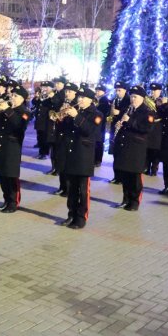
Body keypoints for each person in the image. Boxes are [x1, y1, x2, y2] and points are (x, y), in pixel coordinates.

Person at [57, 86, 103, 229]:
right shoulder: (74, 111)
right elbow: (65, 131)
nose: (80, 100)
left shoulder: (96, 114)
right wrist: (61, 118)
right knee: (71, 189)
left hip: (83, 156)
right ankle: (71, 214)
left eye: (83, 98)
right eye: (79, 97)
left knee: (83, 190)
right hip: (71, 154)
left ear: (90, 99)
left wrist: (76, 116)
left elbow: (89, 131)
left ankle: (81, 217)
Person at [0, 84, 32, 213]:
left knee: (11, 176)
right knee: (2, 175)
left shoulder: (24, 112)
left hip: (12, 147)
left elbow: (18, 125)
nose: (12, 97)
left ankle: (13, 202)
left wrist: (7, 110)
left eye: (15, 96)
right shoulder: (8, 108)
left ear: (23, 99)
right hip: (1, 144)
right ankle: (6, 200)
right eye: (12, 95)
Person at [112, 85, 154, 211]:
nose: (133, 99)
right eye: (131, 96)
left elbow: (145, 128)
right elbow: (124, 124)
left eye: (135, 97)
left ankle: (134, 201)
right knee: (125, 175)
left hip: (137, 148)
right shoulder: (128, 109)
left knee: (134, 177)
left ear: (142, 98)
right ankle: (125, 199)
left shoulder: (147, 112)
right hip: (125, 146)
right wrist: (120, 124)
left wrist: (129, 121)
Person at [52, 82, 79, 196]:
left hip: (70, 138)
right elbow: (58, 118)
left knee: (68, 164)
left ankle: (68, 188)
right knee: (61, 162)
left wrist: (69, 114)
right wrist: (58, 116)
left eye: (69, 91)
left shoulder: (76, 105)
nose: (67, 94)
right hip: (61, 136)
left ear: (75, 93)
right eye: (66, 91)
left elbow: (76, 123)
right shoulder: (63, 103)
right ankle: (62, 186)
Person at [107, 81, 130, 184]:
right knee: (115, 154)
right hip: (115, 128)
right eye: (116, 90)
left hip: (124, 129)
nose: (117, 92)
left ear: (125, 90)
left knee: (122, 155)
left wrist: (119, 113)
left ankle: (122, 177)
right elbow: (111, 112)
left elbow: (129, 112)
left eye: (119, 90)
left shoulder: (129, 100)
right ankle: (116, 176)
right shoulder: (115, 100)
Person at [144, 82, 163, 176]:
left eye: (155, 90)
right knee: (147, 148)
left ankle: (154, 168)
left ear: (160, 91)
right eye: (152, 90)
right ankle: (146, 167)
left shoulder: (162, 101)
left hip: (158, 127)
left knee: (156, 149)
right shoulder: (147, 100)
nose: (153, 92)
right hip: (149, 126)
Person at [34, 81, 54, 159]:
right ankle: (40, 151)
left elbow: (54, 104)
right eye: (43, 87)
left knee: (45, 137)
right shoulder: (41, 95)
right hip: (40, 119)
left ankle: (44, 153)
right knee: (40, 136)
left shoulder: (52, 96)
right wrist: (36, 97)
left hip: (47, 120)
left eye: (46, 87)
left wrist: (51, 97)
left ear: (51, 88)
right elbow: (34, 103)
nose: (44, 88)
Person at [94, 85, 111, 167]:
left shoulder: (105, 101)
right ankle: (94, 158)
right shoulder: (95, 99)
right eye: (96, 90)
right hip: (94, 124)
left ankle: (98, 160)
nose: (97, 92)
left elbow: (105, 112)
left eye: (99, 90)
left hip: (101, 125)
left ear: (104, 92)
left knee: (99, 142)